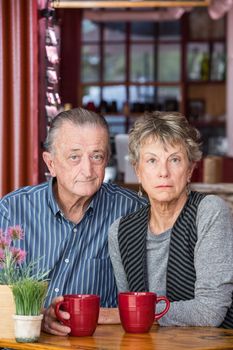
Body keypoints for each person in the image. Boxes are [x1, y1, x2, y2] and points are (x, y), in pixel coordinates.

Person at [0, 107, 147, 335]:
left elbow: (148, 299)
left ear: (106, 159)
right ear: (51, 163)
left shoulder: (131, 210)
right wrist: (38, 316)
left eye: (96, 156)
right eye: (74, 157)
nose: (87, 170)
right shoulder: (14, 209)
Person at [109, 111, 233, 328]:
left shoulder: (209, 212)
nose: (163, 172)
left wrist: (133, 312)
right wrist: (130, 314)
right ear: (138, 170)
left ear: (190, 169)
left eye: (174, 159)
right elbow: (130, 319)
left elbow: (209, 311)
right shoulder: (120, 231)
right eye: (152, 161)